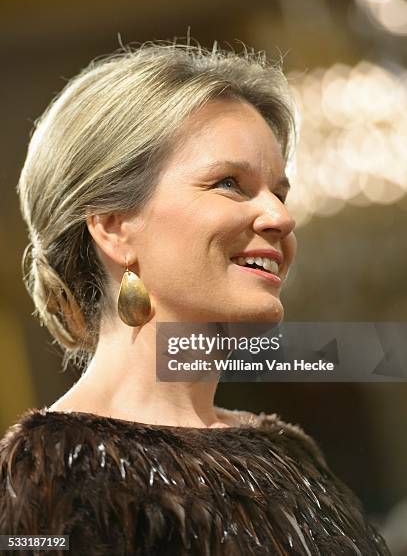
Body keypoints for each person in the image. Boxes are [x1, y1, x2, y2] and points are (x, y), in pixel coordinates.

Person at [0, 40, 389, 555]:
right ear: (115, 227)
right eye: (229, 183)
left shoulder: (288, 452)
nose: (281, 217)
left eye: (280, 191)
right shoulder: (47, 477)